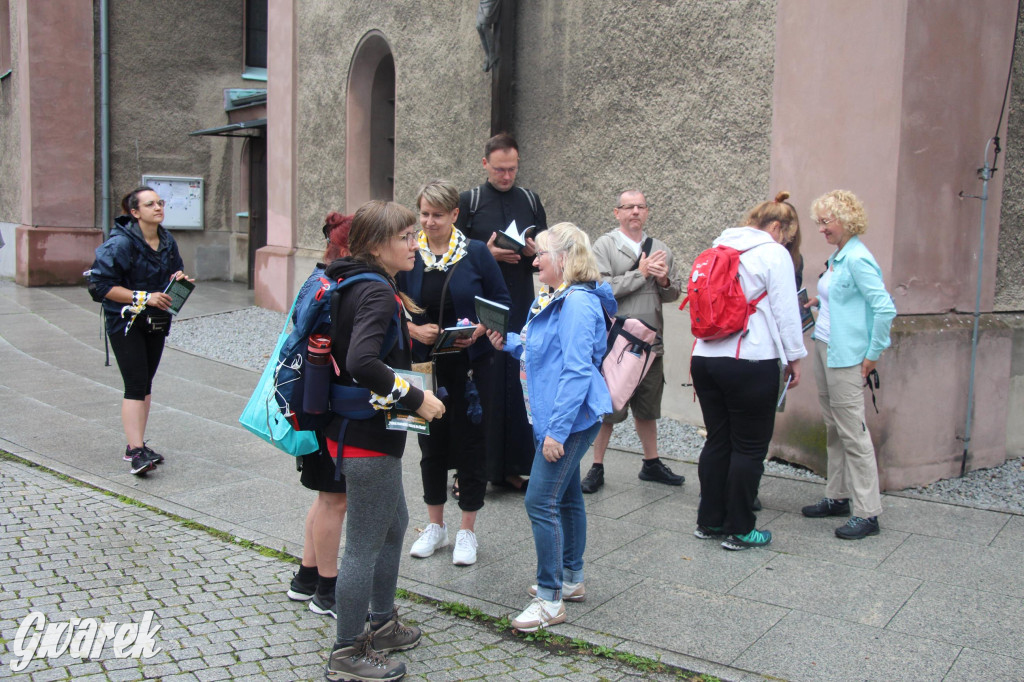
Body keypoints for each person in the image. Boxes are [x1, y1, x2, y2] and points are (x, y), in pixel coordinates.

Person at [323, 201, 446, 682]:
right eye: (405, 237)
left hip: (361, 432)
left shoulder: (358, 280)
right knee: (364, 544)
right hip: (366, 438)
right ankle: (347, 653)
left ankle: (381, 620)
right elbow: (361, 362)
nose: (414, 244)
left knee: (394, 524)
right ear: (376, 246)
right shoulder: (375, 291)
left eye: (414, 234)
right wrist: (416, 397)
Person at [487, 222, 615, 632]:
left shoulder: (577, 303)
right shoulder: (557, 297)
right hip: (560, 415)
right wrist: (506, 342)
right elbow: (542, 348)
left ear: (564, 258)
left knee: (539, 501)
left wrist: (556, 433)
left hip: (570, 419)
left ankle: (550, 598)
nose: (535, 259)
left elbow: (577, 372)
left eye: (541, 253)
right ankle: (571, 579)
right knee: (567, 496)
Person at [397, 180, 511, 567]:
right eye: (424, 214)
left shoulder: (477, 254)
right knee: (430, 445)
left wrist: (480, 329)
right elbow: (391, 305)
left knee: (470, 446)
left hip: (469, 369)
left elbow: (501, 301)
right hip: (424, 366)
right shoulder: (410, 253)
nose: (428, 222)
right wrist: (413, 330)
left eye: (437, 215)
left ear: (455, 215)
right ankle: (435, 527)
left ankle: (467, 531)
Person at [690, 191, 807, 551]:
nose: (786, 242)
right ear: (776, 226)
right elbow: (787, 311)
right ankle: (741, 528)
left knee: (718, 440)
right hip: (750, 358)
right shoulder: (773, 254)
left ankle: (709, 521)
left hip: (705, 358)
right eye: (787, 236)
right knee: (749, 447)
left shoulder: (717, 247)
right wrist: (794, 357)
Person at [800, 190, 896, 540]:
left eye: (826, 222)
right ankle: (837, 496)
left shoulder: (857, 258)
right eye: (819, 222)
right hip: (826, 349)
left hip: (846, 357)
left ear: (845, 220)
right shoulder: (840, 255)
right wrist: (819, 302)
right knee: (833, 427)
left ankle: (868, 513)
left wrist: (872, 355)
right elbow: (844, 301)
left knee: (853, 433)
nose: (821, 229)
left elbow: (884, 309)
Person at [456, 133, 548, 493]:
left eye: (512, 169)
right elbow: (450, 256)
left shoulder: (530, 199)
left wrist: (531, 252)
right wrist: (487, 255)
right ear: (485, 165)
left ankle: (512, 467)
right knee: (484, 385)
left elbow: (544, 249)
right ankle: (472, 471)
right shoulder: (470, 201)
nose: (507, 176)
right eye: (499, 170)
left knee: (517, 382)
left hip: (522, 302)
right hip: (482, 307)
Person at [581, 190, 684, 493]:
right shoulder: (604, 245)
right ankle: (596, 466)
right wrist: (639, 274)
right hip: (617, 343)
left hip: (652, 341)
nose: (635, 212)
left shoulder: (660, 248)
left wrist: (664, 281)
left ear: (647, 212)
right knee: (608, 408)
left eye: (641, 207)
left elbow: (673, 293)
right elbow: (601, 288)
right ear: (617, 213)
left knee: (648, 407)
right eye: (629, 207)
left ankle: (651, 463)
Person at [89, 187, 190, 476]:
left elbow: (175, 269)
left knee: (145, 383)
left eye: (160, 203)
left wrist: (178, 279)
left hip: (156, 320)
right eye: (150, 204)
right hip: (126, 322)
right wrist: (143, 297)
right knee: (135, 384)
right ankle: (135, 451)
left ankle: (138, 444)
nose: (158, 207)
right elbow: (100, 286)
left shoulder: (167, 240)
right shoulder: (120, 244)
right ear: (135, 212)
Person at [286, 212, 353, 619]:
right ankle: (327, 592)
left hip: (311, 405)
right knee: (335, 500)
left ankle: (306, 577)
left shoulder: (319, 278)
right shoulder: (337, 288)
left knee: (325, 497)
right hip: (328, 407)